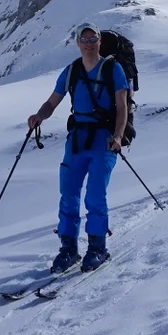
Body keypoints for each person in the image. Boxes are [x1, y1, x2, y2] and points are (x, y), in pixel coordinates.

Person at [28, 22, 132, 275]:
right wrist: (39, 116)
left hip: (104, 140)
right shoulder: (71, 70)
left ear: (99, 41)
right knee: (69, 193)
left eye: (92, 39)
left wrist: (118, 136)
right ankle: (69, 249)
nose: (88, 44)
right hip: (77, 139)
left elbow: (122, 106)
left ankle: (97, 247)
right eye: (83, 40)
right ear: (77, 43)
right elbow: (53, 102)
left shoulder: (112, 68)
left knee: (95, 195)